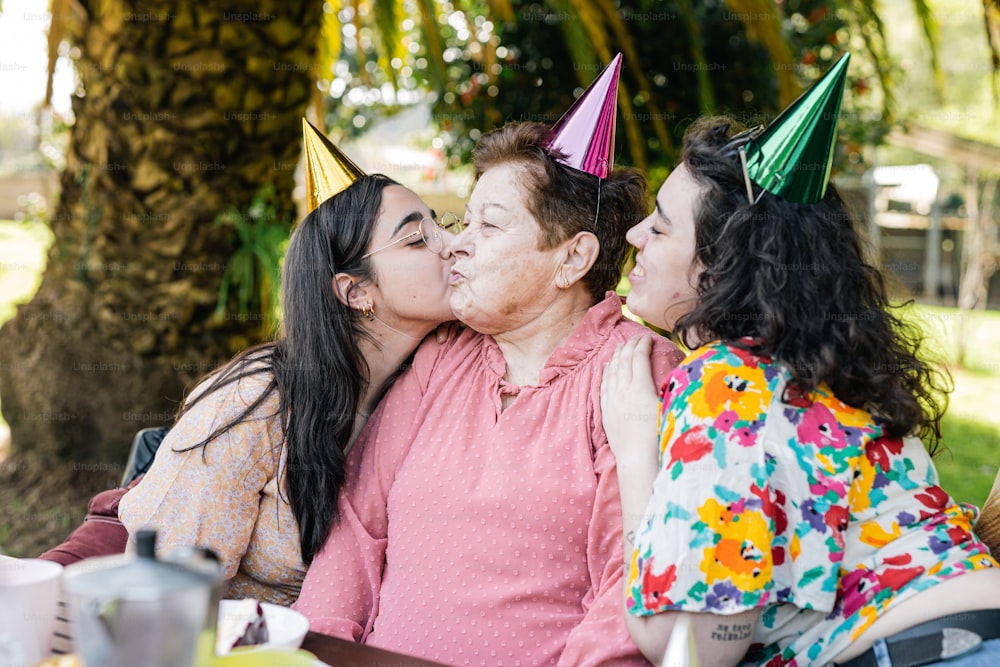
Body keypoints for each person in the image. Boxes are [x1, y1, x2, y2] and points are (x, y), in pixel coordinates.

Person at [601, 55, 1000, 667]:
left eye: (658, 226)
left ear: (718, 265)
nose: (634, 238)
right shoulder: (840, 372)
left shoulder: (724, 383)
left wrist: (635, 453)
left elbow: (693, 650)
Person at [293, 111, 686, 663]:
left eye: (490, 226)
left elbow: (628, 587)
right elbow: (356, 529)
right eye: (464, 221)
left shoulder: (638, 371)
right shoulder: (442, 356)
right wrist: (317, 653)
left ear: (572, 258)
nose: (455, 244)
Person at [118, 128, 459, 605]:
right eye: (416, 239)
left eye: (442, 224)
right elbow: (162, 592)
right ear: (355, 291)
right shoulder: (254, 408)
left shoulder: (443, 377)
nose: (451, 245)